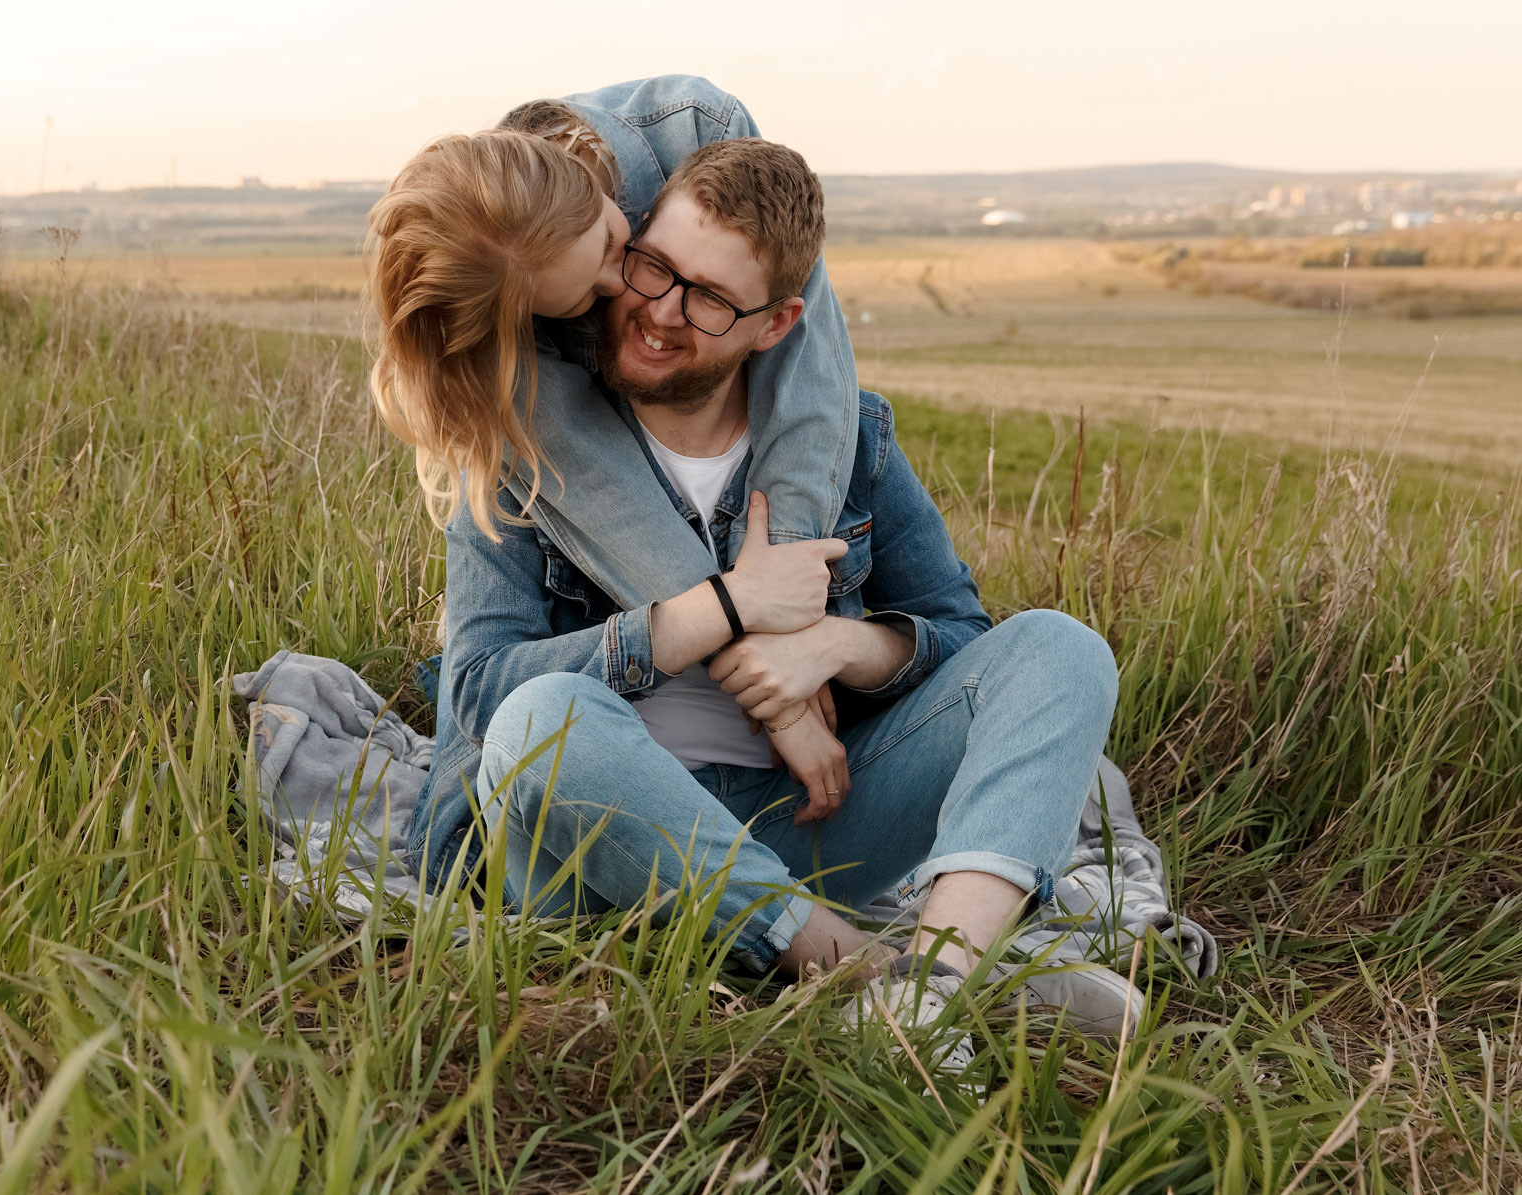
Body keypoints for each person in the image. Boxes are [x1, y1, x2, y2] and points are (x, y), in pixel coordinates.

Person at [405, 136, 1139, 1060]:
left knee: (1062, 649)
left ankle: (931, 979)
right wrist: (717, 610)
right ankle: (891, 976)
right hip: (585, 849)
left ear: (779, 322)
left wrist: (836, 647)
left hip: (805, 823)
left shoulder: (851, 440)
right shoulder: (522, 435)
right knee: (540, 717)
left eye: (709, 298)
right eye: (653, 266)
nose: (659, 312)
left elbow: (963, 633)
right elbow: (479, 690)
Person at [364, 78, 859, 617]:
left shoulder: (697, 128)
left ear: (583, 171)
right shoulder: (494, 312)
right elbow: (603, 493)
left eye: (610, 245)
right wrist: (744, 617)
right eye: (586, 298)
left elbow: (807, 381)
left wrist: (786, 576)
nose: (622, 284)